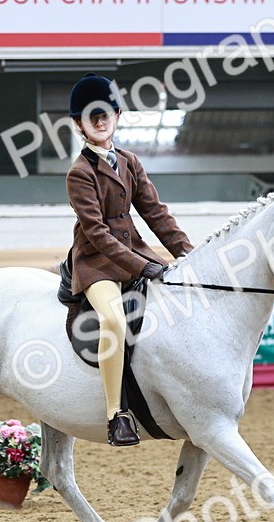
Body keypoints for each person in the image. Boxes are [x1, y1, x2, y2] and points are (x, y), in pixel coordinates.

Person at [65, 73, 193, 447]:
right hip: (97, 264)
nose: (99, 121)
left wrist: (187, 254)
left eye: (104, 113)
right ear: (78, 124)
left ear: (117, 116)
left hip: (137, 254)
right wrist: (142, 266)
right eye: (90, 116)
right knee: (114, 320)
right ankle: (116, 414)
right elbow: (97, 233)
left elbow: (155, 213)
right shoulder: (79, 173)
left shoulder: (129, 161)